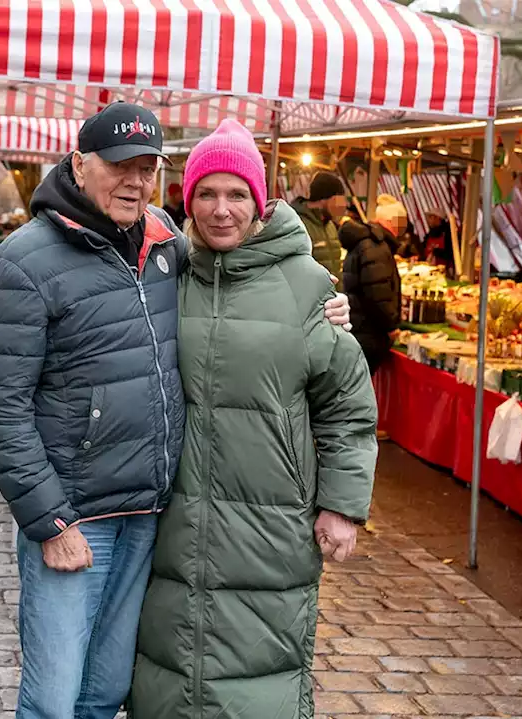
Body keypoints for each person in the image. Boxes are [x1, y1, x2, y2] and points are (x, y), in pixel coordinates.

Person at [0, 104, 353, 719]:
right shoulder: (26, 259)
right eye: (120, 166)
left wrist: (326, 309)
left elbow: (250, 285)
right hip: (77, 516)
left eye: (147, 169)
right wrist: (50, 522)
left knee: (106, 691)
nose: (134, 181)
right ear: (79, 163)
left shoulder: (167, 248)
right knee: (53, 699)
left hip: (149, 514)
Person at [129, 118, 378, 719]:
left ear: (259, 201)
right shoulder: (165, 276)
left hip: (271, 525)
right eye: (207, 194)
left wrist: (342, 505)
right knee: (168, 672)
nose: (221, 210)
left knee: (259, 680)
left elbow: (346, 403)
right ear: (188, 201)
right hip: (172, 517)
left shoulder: (306, 287)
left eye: (236, 194)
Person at [340, 201, 403, 375]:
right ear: (391, 222)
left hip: (358, 327)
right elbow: (377, 293)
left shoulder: (365, 242)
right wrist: (390, 326)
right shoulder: (376, 247)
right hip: (369, 333)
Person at [292, 171, 349, 279]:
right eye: (337, 200)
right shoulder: (298, 224)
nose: (341, 206)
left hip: (333, 294)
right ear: (323, 199)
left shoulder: (330, 225)